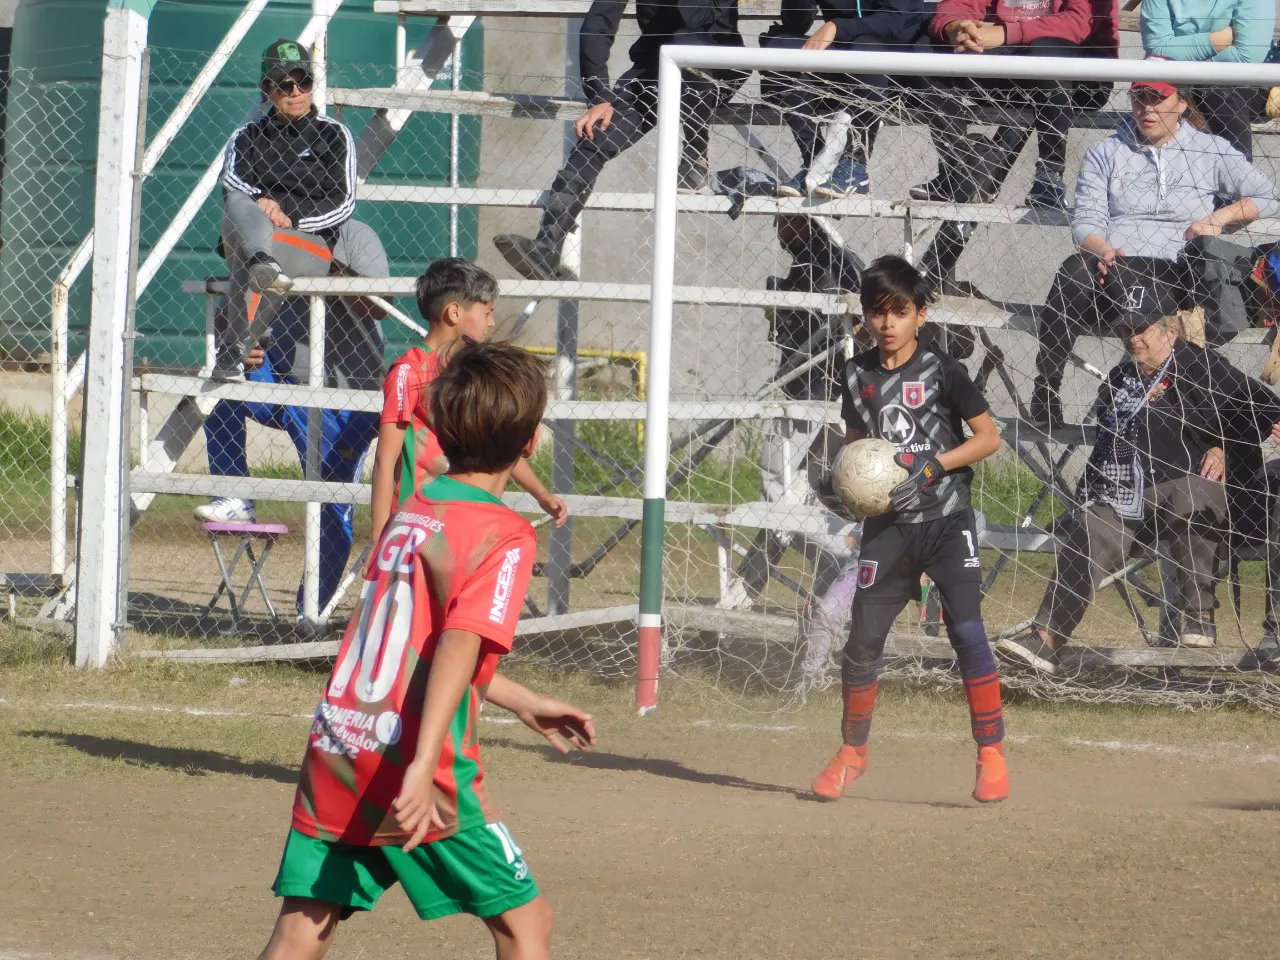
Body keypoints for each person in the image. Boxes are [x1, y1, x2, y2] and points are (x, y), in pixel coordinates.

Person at [254, 340, 598, 960]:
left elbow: (416, 645)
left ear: (438, 429)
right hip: (415, 763)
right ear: (528, 443)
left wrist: (521, 700)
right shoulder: (504, 534)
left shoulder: (417, 511)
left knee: (303, 927)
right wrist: (421, 764)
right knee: (527, 924)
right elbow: (461, 643)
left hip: (341, 741)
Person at [998, 259, 1280, 669]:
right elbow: (1104, 454)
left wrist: (1223, 447)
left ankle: (1198, 613)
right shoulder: (1119, 380)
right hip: (1131, 501)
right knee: (1093, 525)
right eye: (1126, 330)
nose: (1132, 338)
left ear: (1169, 331)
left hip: (1200, 499)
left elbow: (1260, 410)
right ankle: (1046, 638)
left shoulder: (1202, 366)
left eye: (1142, 329)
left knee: (1190, 492)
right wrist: (1080, 504)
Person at [812, 255, 1009, 804]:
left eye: (900, 311)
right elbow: (857, 447)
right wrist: (849, 484)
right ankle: (853, 752)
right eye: (877, 313)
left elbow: (988, 438)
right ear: (865, 317)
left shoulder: (944, 370)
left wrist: (937, 464)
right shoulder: (855, 376)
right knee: (863, 640)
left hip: (946, 521)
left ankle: (990, 753)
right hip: (888, 528)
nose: (887, 323)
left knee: (966, 631)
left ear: (921, 314)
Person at [1030, 77, 1280, 426]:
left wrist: (1219, 218)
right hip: (1118, 268)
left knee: (1191, 279)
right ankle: (1046, 386)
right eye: (1139, 98)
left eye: (1158, 98)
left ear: (1182, 103)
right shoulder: (1105, 152)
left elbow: (1269, 195)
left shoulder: (1211, 149)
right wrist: (1103, 251)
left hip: (1176, 274)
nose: (1147, 108)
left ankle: (1140, 394)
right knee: (1074, 269)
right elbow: (1086, 222)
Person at [493, 0, 744, 282]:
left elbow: (698, 20)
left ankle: (697, 156)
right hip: (654, 74)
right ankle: (547, 246)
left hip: (714, 68)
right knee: (593, 138)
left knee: (686, 42)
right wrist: (599, 96)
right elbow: (597, 24)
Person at [369, 258, 568, 545]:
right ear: (454, 312)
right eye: (486, 312)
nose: (492, 322)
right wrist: (379, 540)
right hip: (418, 523)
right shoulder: (408, 372)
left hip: (467, 520)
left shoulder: (474, 372)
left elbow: (498, 444)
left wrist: (542, 495)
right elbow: (385, 460)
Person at [214, 38, 369, 382]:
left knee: (257, 257)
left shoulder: (334, 135)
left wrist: (290, 216)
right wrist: (262, 203)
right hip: (253, 237)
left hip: (307, 243)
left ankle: (231, 353)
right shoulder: (247, 137)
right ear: (267, 89)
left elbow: (343, 202)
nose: (296, 91)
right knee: (239, 203)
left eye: (305, 82)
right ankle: (260, 265)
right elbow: (233, 184)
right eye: (285, 84)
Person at [908, 0, 1094, 209]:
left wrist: (1004, 33)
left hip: (1083, 77)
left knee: (1045, 50)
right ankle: (961, 170)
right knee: (927, 49)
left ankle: (1050, 176)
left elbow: (1080, 21)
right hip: (1015, 63)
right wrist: (956, 27)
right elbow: (959, 3)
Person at [758, 0, 932, 198]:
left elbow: (893, 21)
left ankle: (855, 165)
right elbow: (796, 25)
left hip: (895, 66)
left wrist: (837, 26)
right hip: (844, 57)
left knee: (866, 47)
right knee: (780, 47)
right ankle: (815, 162)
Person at [1141, 0, 1275, 158]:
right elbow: (1156, 48)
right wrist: (1215, 41)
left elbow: (1248, 56)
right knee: (1148, 90)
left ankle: (1237, 173)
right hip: (1173, 78)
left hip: (1245, 84)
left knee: (1213, 90)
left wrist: (1181, 51)